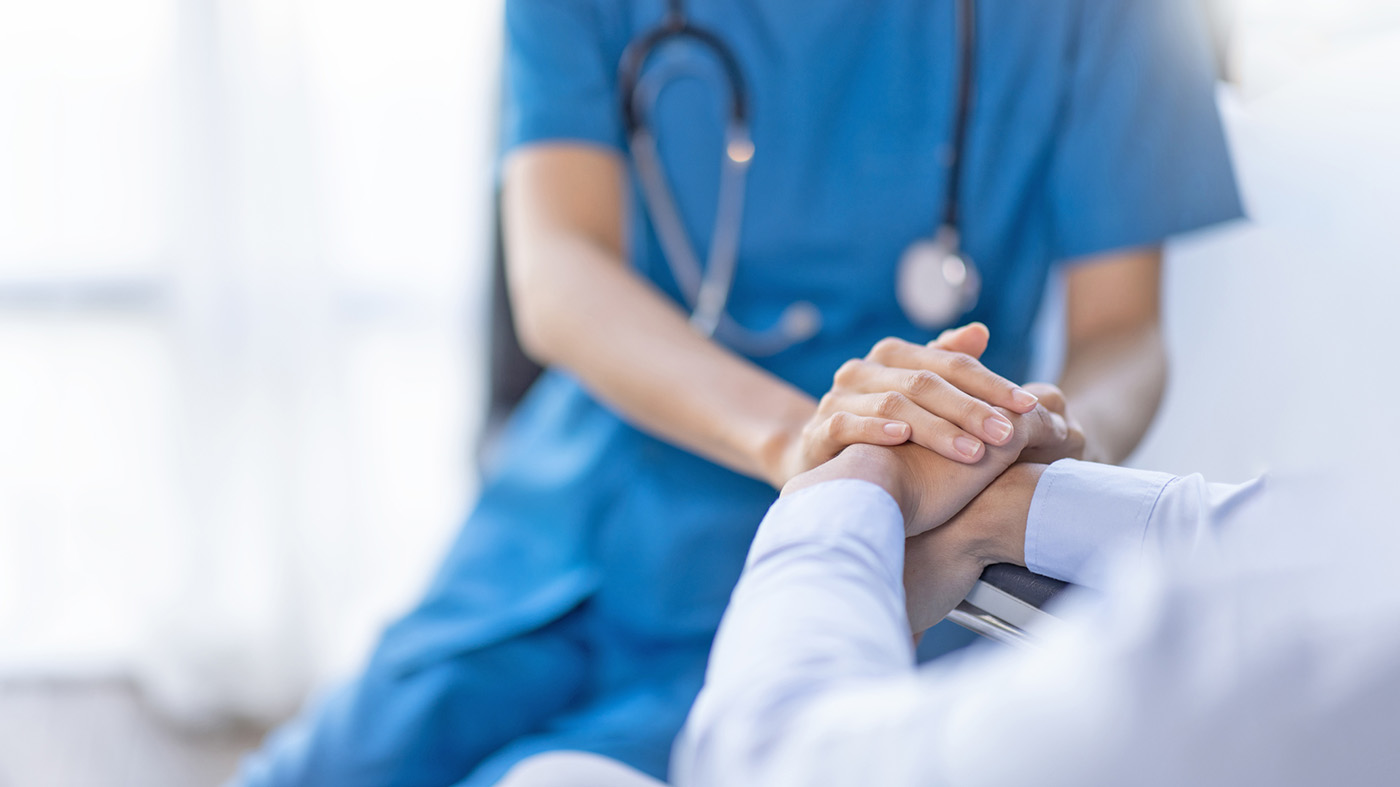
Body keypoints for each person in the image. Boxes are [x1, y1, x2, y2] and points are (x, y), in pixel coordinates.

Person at [233, 1, 1241, 785]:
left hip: (898, 543)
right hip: (594, 502)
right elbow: (558, 273)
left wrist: (1034, 448)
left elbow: (1120, 335)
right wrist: (803, 442)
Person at [499, 410, 1398, 787]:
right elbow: (1283, 530)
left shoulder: (1286, 660)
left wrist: (857, 477)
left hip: (826, 548)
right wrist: (1008, 508)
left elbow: (769, 762)